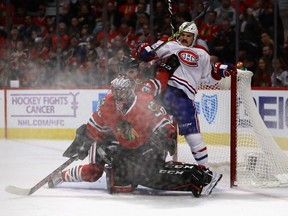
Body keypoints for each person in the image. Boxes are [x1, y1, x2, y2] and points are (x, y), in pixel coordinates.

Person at [48, 75, 222, 197]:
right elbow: (93, 127)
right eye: (116, 92)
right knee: (96, 175)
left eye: (122, 92)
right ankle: (61, 175)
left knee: (146, 178)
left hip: (142, 146)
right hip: (111, 145)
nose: (118, 96)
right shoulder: (107, 103)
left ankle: (197, 176)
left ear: (131, 91)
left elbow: (165, 124)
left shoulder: (145, 102)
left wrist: (167, 136)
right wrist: (82, 141)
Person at [136, 21, 236, 168]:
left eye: (188, 36)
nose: (184, 38)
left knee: (193, 136)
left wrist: (219, 71)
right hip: (163, 91)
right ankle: (148, 162)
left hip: (184, 98)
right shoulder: (168, 44)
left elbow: (208, 78)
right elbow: (145, 55)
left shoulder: (202, 54)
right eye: (182, 35)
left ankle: (204, 169)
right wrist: (144, 50)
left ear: (194, 37)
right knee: (153, 129)